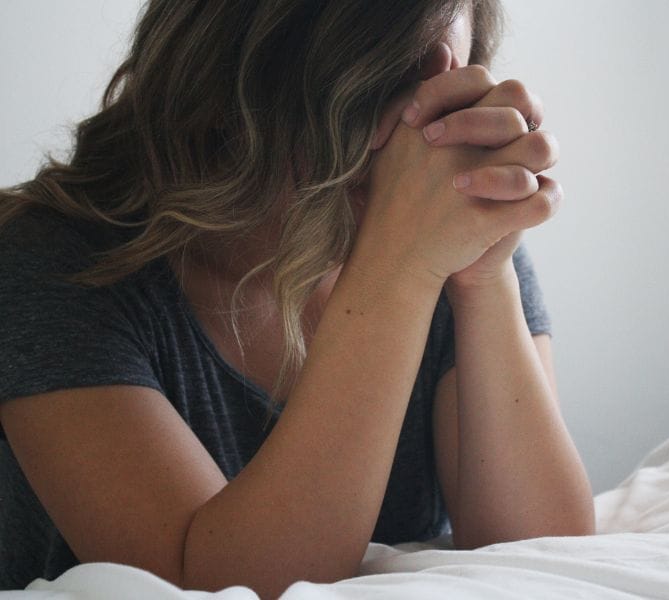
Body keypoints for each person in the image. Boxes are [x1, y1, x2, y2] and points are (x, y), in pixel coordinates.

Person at [0, 0, 595, 597]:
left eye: (446, 95)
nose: (417, 136)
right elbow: (214, 587)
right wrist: (397, 270)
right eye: (381, 84)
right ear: (233, 79)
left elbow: (544, 556)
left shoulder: (444, 238)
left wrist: (485, 277)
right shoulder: (54, 261)